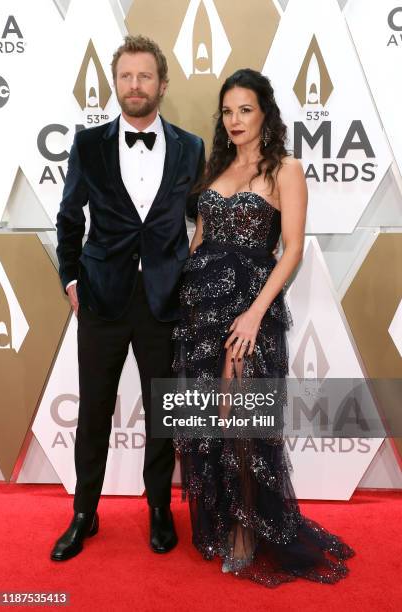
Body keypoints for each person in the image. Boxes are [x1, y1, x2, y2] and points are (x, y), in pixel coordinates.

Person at [172, 68, 355, 586]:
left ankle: (248, 531)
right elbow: (200, 239)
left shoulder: (286, 170)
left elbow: (291, 249)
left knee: (242, 426)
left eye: (244, 110)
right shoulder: (217, 168)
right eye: (227, 111)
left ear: (265, 113)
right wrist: (180, 302)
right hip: (200, 307)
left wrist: (254, 312)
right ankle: (225, 520)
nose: (234, 120)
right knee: (207, 425)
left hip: (248, 311)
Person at [51, 35, 205, 561]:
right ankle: (84, 511)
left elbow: (197, 220)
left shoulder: (191, 146)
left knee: (164, 411)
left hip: (165, 299)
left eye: (144, 76)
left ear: (162, 84)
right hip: (101, 299)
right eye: (125, 76)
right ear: (115, 83)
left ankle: (159, 508)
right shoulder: (87, 144)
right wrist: (71, 279)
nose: (134, 85)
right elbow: (70, 217)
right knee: (94, 411)